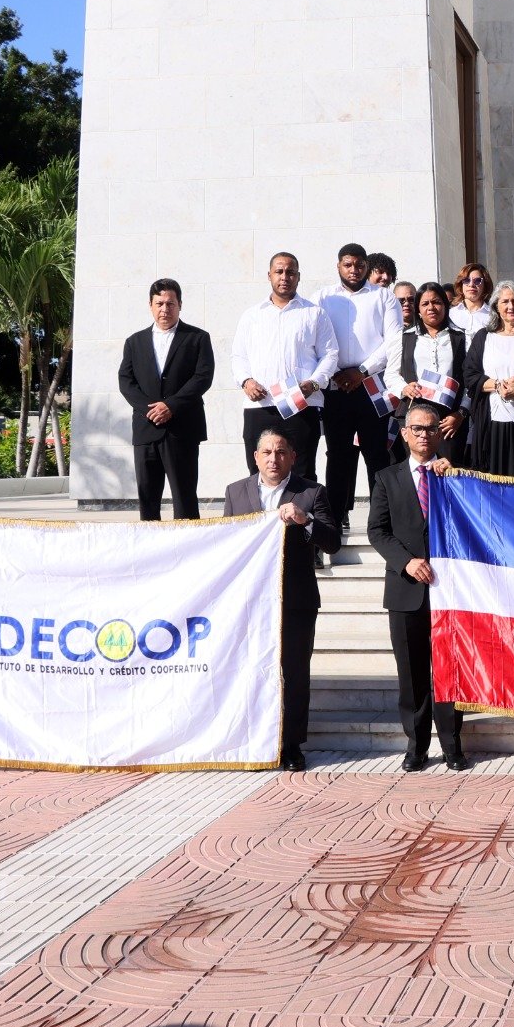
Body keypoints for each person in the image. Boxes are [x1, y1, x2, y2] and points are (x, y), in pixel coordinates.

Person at [222, 427, 342, 772]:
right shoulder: (236, 492)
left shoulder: (311, 492)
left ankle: (290, 745)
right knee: (251, 670)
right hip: (251, 600)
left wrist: (306, 521)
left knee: (293, 673)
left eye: (281, 452)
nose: (273, 459)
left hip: (296, 600)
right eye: (267, 452)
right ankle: (255, 739)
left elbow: (333, 542)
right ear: (256, 456)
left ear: (293, 456)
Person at [368, 405, 467, 772]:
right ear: (405, 434)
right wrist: (406, 561)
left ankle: (453, 745)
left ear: (439, 434)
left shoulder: (453, 473)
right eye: (416, 429)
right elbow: (376, 531)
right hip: (405, 589)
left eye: (430, 429)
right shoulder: (387, 478)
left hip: (449, 592)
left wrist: (455, 476)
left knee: (448, 669)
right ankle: (416, 746)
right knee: (411, 673)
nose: (424, 435)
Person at [312, 243, 404, 533]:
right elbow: (315, 342)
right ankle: (334, 522)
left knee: (377, 455)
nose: (354, 270)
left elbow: (393, 342)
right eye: (348, 264)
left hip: (372, 385)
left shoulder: (384, 297)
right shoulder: (322, 298)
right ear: (338, 266)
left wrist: (361, 370)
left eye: (360, 264)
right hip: (335, 387)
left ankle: (383, 523)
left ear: (367, 266)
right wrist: (336, 373)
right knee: (337, 456)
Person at [230, 252, 339, 480]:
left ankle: (302, 517)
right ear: (269, 275)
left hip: (301, 403)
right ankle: (263, 516)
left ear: (298, 277)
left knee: (302, 471)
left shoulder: (314, 313)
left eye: (290, 272)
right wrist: (246, 381)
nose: (284, 277)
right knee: (258, 471)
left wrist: (314, 383)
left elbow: (329, 354)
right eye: (279, 271)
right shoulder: (251, 316)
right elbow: (238, 357)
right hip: (260, 405)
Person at [117, 278, 215, 521]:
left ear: (180, 305)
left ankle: (188, 552)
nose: (164, 309)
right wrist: (150, 410)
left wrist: (170, 406)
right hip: (146, 428)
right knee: (148, 500)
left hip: (182, 429)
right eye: (159, 303)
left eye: (170, 303)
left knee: (185, 498)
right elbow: (125, 381)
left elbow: (203, 377)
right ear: (150, 305)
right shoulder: (134, 342)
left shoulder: (197, 338)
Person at [462, 280, 514, 478]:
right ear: (496, 306)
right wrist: (499, 386)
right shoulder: (484, 337)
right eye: (505, 301)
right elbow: (470, 375)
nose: (510, 306)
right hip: (490, 421)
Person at [386, 281, 468, 464]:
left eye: (437, 302)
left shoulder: (461, 338)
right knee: (415, 475)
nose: (431, 307)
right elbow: (390, 375)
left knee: (448, 475)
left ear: (445, 306)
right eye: (425, 303)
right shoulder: (404, 337)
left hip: (448, 422)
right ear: (418, 309)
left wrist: (461, 413)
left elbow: (470, 382)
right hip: (413, 416)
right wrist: (404, 388)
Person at [450, 262, 493, 336]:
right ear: (461, 284)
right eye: (466, 280)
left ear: (485, 285)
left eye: (477, 281)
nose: (471, 285)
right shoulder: (450, 314)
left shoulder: (493, 315)